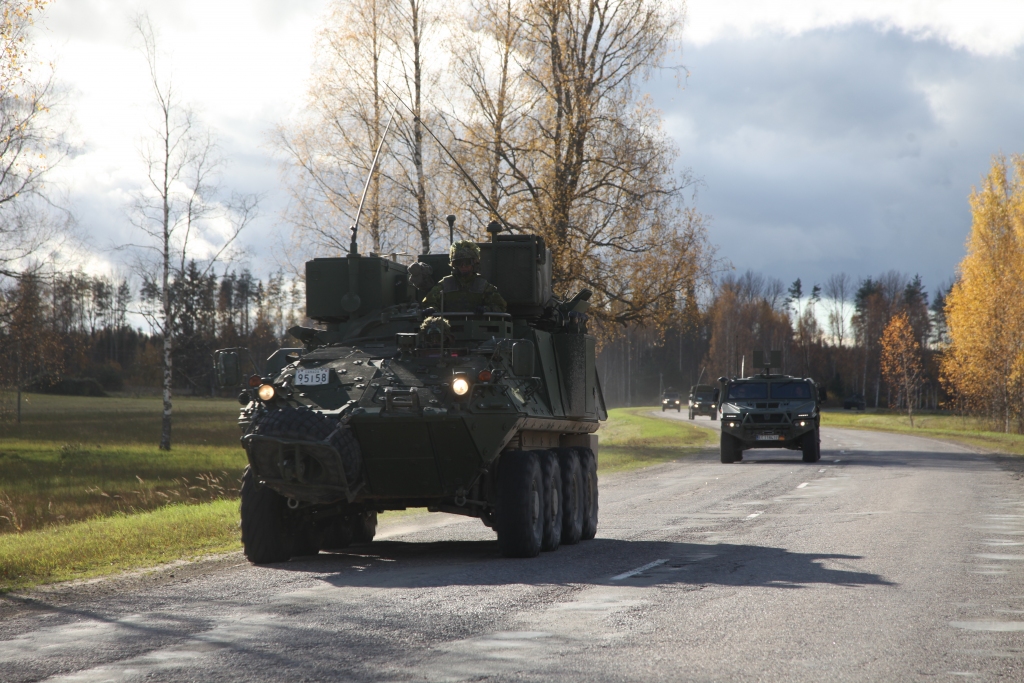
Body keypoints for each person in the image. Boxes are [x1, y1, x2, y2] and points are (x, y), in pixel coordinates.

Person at [422, 240, 507, 313]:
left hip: (477, 328)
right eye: (459, 263)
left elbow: (500, 306)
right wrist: (432, 309)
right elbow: (429, 303)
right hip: (449, 329)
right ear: (454, 265)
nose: (463, 266)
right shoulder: (445, 284)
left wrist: (486, 309)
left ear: (474, 263)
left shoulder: (484, 286)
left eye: (467, 262)